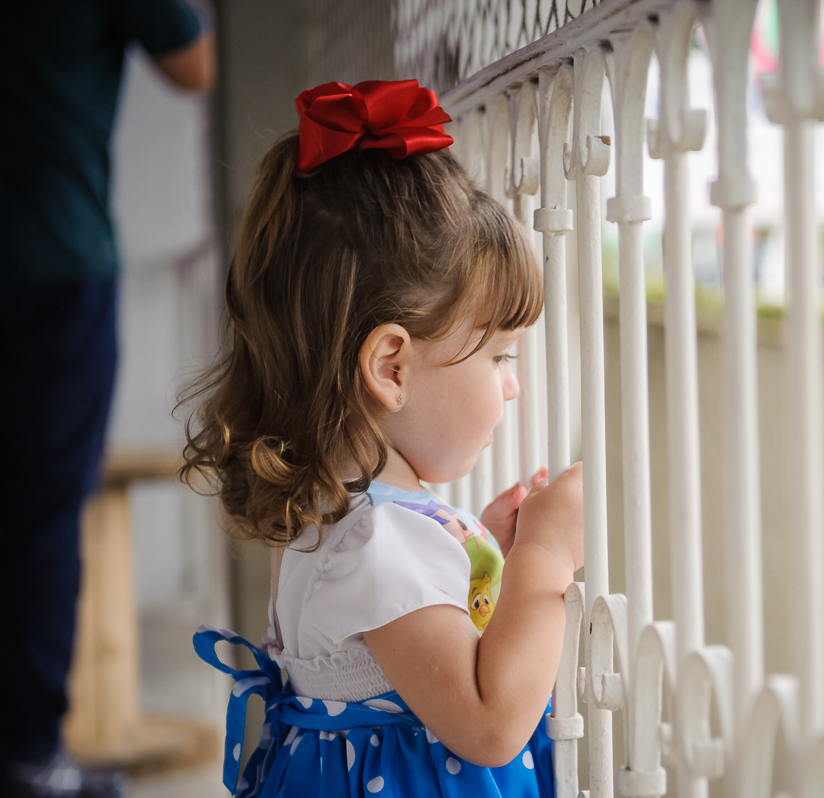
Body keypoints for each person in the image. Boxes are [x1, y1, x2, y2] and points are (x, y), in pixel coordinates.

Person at [182, 79, 584, 798]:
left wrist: (485, 558)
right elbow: (490, 725)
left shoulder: (333, 513)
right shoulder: (379, 543)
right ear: (390, 365)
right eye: (499, 358)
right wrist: (545, 562)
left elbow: (413, 650)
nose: (513, 385)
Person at [0, 3, 214, 797]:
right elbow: (197, 65)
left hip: (54, 257)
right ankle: (26, 756)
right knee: (45, 513)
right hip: (59, 260)